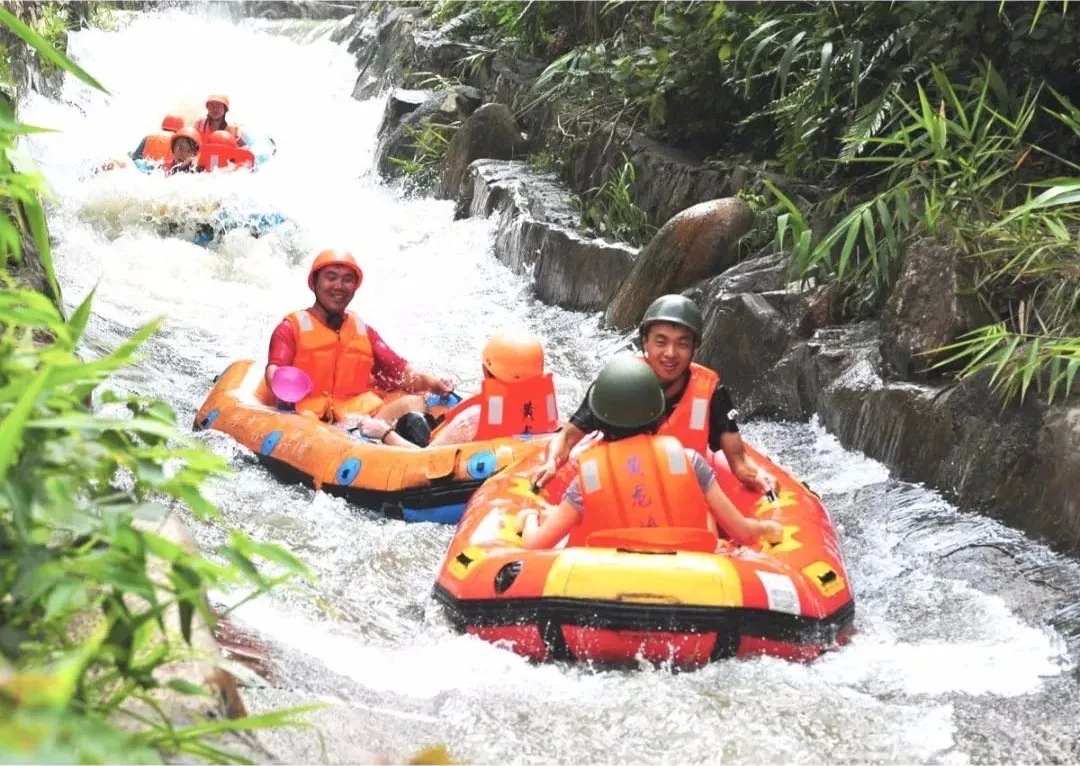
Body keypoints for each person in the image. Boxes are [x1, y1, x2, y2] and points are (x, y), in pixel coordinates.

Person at [514, 355, 784, 550]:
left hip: (607, 588)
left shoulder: (588, 476)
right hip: (693, 586)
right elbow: (744, 532)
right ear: (657, 415)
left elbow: (536, 544)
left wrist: (528, 518)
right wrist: (769, 528)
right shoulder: (691, 462)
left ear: (598, 417)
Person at [530, 294, 777, 495]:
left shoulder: (712, 395)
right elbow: (568, 437)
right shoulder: (618, 384)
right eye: (661, 342)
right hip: (620, 489)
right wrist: (552, 462)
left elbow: (739, 462)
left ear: (694, 348)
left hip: (682, 495)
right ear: (644, 343)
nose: (670, 353)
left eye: (682, 343)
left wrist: (760, 478)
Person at [264, 249, 454, 428]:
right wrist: (281, 386)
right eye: (331, 278)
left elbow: (401, 372)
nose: (339, 286)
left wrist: (435, 384)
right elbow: (275, 369)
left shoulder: (363, 331)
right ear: (314, 283)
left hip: (356, 421)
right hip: (308, 421)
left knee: (414, 403)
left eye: (347, 280)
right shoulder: (290, 328)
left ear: (355, 287)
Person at [357, 329, 560, 448]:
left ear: (486, 370)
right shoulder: (550, 417)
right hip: (516, 466)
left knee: (412, 422)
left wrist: (384, 433)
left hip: (458, 475)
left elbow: (424, 460)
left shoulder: (471, 420)